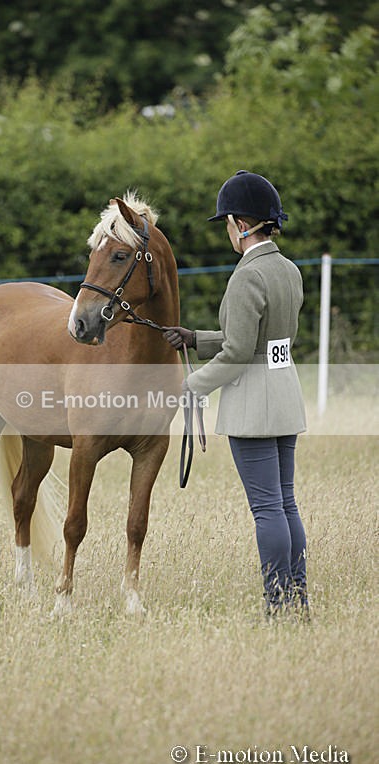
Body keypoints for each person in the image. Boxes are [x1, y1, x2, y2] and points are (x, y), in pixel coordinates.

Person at [163, 170, 309, 620]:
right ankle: (296, 599)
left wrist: (189, 386)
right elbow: (263, 340)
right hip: (285, 392)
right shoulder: (287, 269)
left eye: (227, 222)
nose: (227, 230)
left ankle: (276, 604)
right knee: (285, 503)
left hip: (254, 404)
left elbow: (241, 353)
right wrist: (195, 338)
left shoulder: (247, 277)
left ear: (241, 224)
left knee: (267, 509)